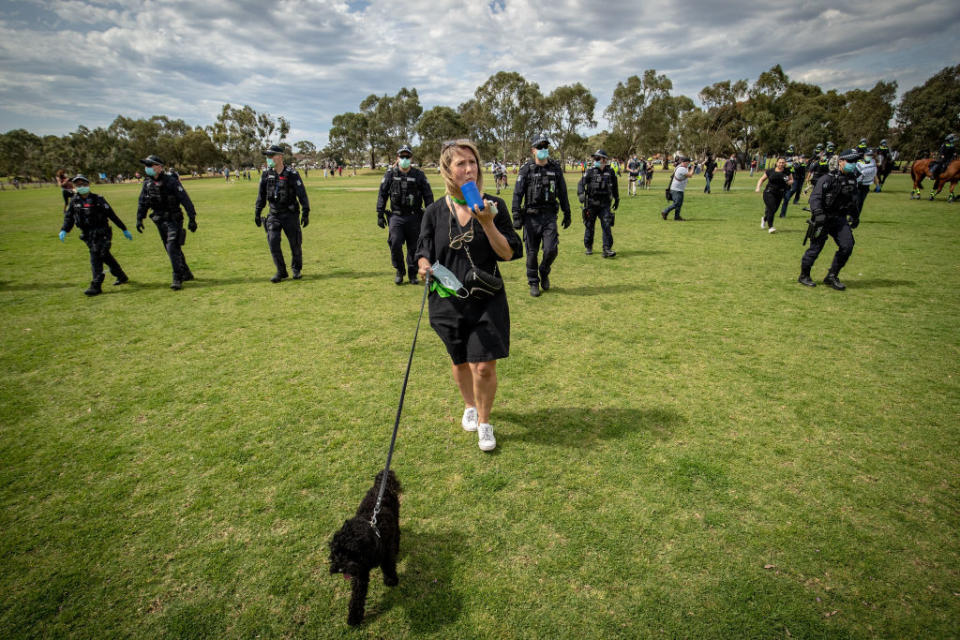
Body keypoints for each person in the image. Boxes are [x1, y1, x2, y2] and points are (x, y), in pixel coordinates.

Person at [415, 139, 522, 452]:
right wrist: (423, 265)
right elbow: (423, 249)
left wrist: (487, 223)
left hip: (486, 299)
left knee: (484, 366)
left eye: (472, 162)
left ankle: (485, 423)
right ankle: (469, 405)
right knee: (460, 361)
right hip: (446, 298)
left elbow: (508, 253)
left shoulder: (493, 206)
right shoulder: (434, 211)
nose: (469, 169)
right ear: (447, 170)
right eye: (460, 164)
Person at [512, 134, 572, 297]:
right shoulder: (526, 170)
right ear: (533, 150)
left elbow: (563, 191)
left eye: (546, 147)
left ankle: (544, 270)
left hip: (549, 216)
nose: (543, 150)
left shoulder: (555, 168)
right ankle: (533, 282)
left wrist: (567, 212)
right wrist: (516, 215)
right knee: (532, 252)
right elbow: (518, 194)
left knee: (551, 249)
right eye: (540, 147)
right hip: (531, 217)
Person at [59, 174, 132, 296]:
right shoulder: (74, 201)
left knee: (96, 257)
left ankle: (96, 285)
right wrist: (64, 230)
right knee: (105, 256)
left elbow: (112, 215)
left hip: (102, 232)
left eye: (83, 184)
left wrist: (124, 229)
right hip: (87, 234)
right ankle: (121, 276)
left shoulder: (98, 199)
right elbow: (69, 218)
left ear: (88, 185)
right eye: (77, 185)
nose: (80, 187)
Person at [799, 148, 861, 290]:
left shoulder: (852, 180)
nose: (853, 164)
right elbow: (815, 197)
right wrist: (819, 213)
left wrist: (855, 215)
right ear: (841, 162)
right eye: (850, 161)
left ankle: (832, 276)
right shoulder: (827, 178)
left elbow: (853, 200)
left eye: (855, 161)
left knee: (847, 246)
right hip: (822, 218)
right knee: (815, 248)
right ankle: (804, 275)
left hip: (839, 219)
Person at [136, 155, 198, 290]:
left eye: (150, 165)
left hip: (173, 219)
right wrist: (139, 218)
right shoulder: (147, 184)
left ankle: (177, 277)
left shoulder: (171, 182)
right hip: (159, 220)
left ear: (159, 167)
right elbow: (143, 202)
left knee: (172, 247)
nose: (147, 168)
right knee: (171, 248)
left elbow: (185, 199)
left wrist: (192, 218)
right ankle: (186, 272)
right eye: (146, 166)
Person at [376, 144, 434, 285]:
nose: (404, 159)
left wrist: (431, 215)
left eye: (407, 156)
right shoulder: (390, 174)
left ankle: (413, 273)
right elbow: (382, 194)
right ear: (398, 157)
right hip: (396, 216)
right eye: (402, 156)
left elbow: (428, 196)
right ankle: (400, 271)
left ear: (411, 157)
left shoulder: (419, 175)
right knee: (395, 243)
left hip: (414, 216)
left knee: (414, 247)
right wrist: (379, 213)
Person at [255, 144, 310, 283]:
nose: (268, 159)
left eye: (271, 156)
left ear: (280, 157)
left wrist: (305, 212)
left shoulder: (292, 174)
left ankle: (296, 269)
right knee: (273, 241)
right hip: (274, 214)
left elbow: (301, 193)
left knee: (295, 243)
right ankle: (281, 271)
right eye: (267, 156)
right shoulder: (266, 174)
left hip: (290, 214)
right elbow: (261, 195)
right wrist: (257, 211)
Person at [577, 149, 619, 257]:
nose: (595, 160)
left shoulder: (610, 172)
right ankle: (588, 246)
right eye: (595, 158)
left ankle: (607, 248)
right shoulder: (590, 171)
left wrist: (617, 198)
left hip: (605, 204)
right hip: (591, 203)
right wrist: (581, 194)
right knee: (589, 226)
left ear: (604, 159)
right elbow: (580, 184)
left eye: (597, 158)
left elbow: (615, 186)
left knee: (606, 225)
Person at [755, 157, 793, 233]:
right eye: (780, 162)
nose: (781, 164)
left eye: (783, 162)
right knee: (771, 208)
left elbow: (792, 179)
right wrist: (758, 188)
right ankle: (771, 227)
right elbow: (761, 179)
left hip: (780, 193)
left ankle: (764, 219)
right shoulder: (770, 171)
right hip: (769, 192)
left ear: (785, 163)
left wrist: (789, 182)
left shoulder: (787, 171)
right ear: (776, 163)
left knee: (773, 210)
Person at [661, 156, 694, 221]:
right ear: (685, 162)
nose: (688, 164)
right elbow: (690, 175)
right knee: (677, 203)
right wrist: (693, 168)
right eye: (688, 163)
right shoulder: (682, 169)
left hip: (677, 188)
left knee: (679, 204)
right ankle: (665, 211)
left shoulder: (680, 167)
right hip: (677, 189)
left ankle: (677, 217)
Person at [856, 148, 877, 212]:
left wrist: (877, 184)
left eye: (870, 155)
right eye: (868, 155)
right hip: (859, 185)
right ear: (864, 155)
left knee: (861, 202)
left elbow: (874, 173)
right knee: (857, 201)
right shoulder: (858, 163)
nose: (869, 157)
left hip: (866, 186)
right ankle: (853, 216)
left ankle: (856, 216)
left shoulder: (873, 161)